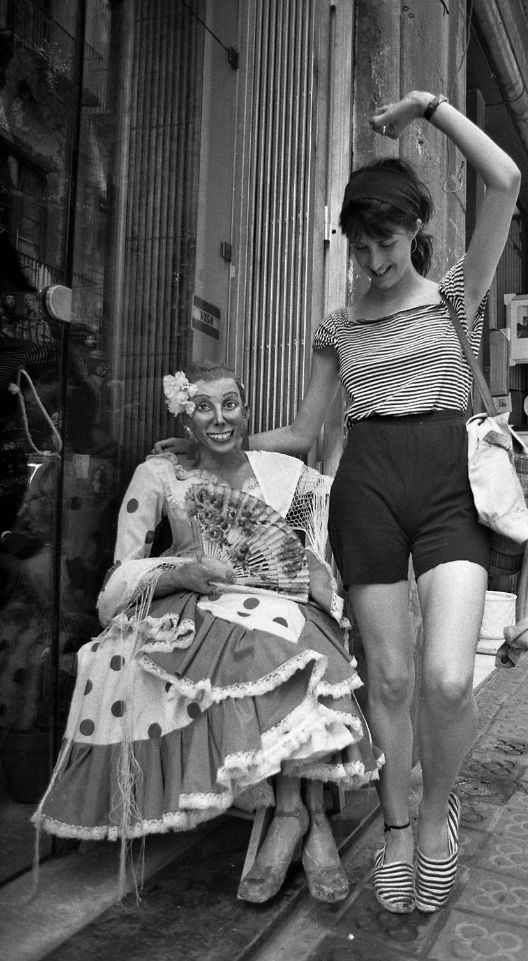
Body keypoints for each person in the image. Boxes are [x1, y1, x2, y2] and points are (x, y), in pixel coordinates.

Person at [155, 90, 520, 914]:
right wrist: (211, 445)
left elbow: (505, 180)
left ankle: (435, 814)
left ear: (413, 232)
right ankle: (395, 828)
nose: (373, 262)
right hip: (366, 495)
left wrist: (430, 109)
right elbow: (306, 429)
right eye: (359, 249)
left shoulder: (455, 294)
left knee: (448, 679)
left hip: (445, 487)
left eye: (385, 243)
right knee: (387, 680)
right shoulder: (338, 325)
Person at [32, 363, 382, 905]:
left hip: (278, 599)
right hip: (197, 604)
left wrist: (316, 578)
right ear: (185, 416)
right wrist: (180, 572)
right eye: (203, 407)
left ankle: (299, 816)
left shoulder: (279, 472)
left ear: (246, 409)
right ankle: (303, 818)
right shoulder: (159, 474)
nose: (220, 419)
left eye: (231, 404)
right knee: (272, 645)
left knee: (306, 636)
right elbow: (122, 571)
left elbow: (306, 552)